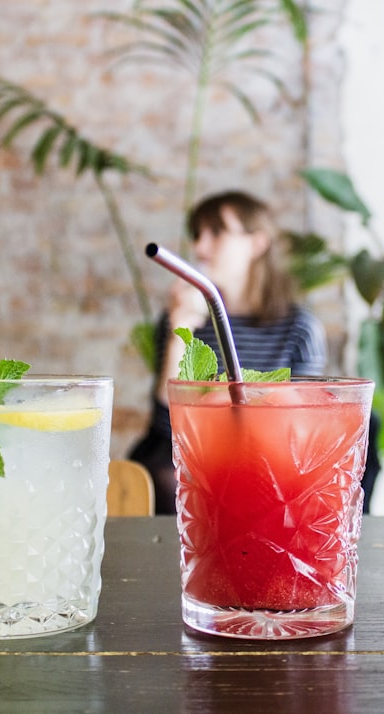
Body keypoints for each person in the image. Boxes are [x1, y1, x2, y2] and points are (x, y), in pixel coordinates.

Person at [129, 190, 330, 514]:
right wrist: (181, 329)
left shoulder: (299, 328)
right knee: (168, 478)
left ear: (257, 243)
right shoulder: (182, 317)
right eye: (198, 235)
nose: (200, 248)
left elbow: (303, 420)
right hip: (193, 449)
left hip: (267, 451)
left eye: (216, 233)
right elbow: (167, 423)